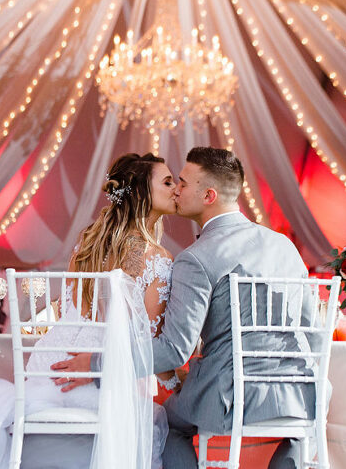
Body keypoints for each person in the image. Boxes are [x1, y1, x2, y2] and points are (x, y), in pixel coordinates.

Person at [0, 152, 178, 469]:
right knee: (163, 422)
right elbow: (147, 345)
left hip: (45, 371)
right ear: (142, 192)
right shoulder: (158, 258)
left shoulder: (87, 244)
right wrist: (179, 385)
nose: (176, 188)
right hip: (98, 379)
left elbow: (68, 309)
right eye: (168, 181)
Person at [55, 147, 314, 469]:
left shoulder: (197, 257)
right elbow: (309, 325)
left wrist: (98, 364)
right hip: (300, 393)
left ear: (208, 195)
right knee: (292, 434)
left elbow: (175, 350)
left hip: (231, 394)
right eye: (170, 182)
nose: (177, 189)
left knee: (168, 425)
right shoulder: (283, 245)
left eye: (181, 182)